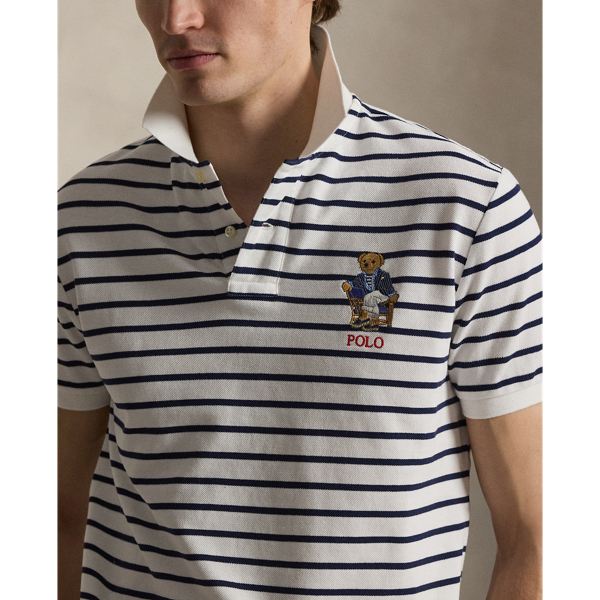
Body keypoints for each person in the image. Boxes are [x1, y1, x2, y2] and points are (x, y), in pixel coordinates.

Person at [57, 1, 542, 599]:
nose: (175, 18)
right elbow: (55, 515)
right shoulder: (82, 219)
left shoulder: (467, 208)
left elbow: (537, 537)